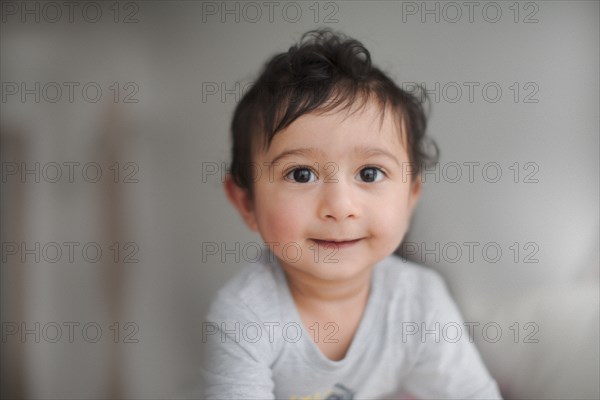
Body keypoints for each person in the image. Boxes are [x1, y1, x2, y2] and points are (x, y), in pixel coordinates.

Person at [201, 28, 502, 399]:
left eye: (369, 173)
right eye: (301, 174)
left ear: (411, 195)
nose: (341, 207)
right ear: (246, 202)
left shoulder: (419, 300)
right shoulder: (245, 315)